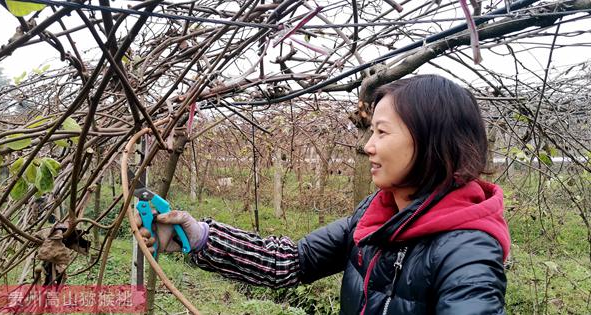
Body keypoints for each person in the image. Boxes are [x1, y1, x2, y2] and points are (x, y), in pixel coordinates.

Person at [138, 74, 510, 314]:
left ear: (431, 141)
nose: (368, 146)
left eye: (382, 132)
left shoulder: (468, 251)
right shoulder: (375, 218)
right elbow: (289, 261)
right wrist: (197, 235)